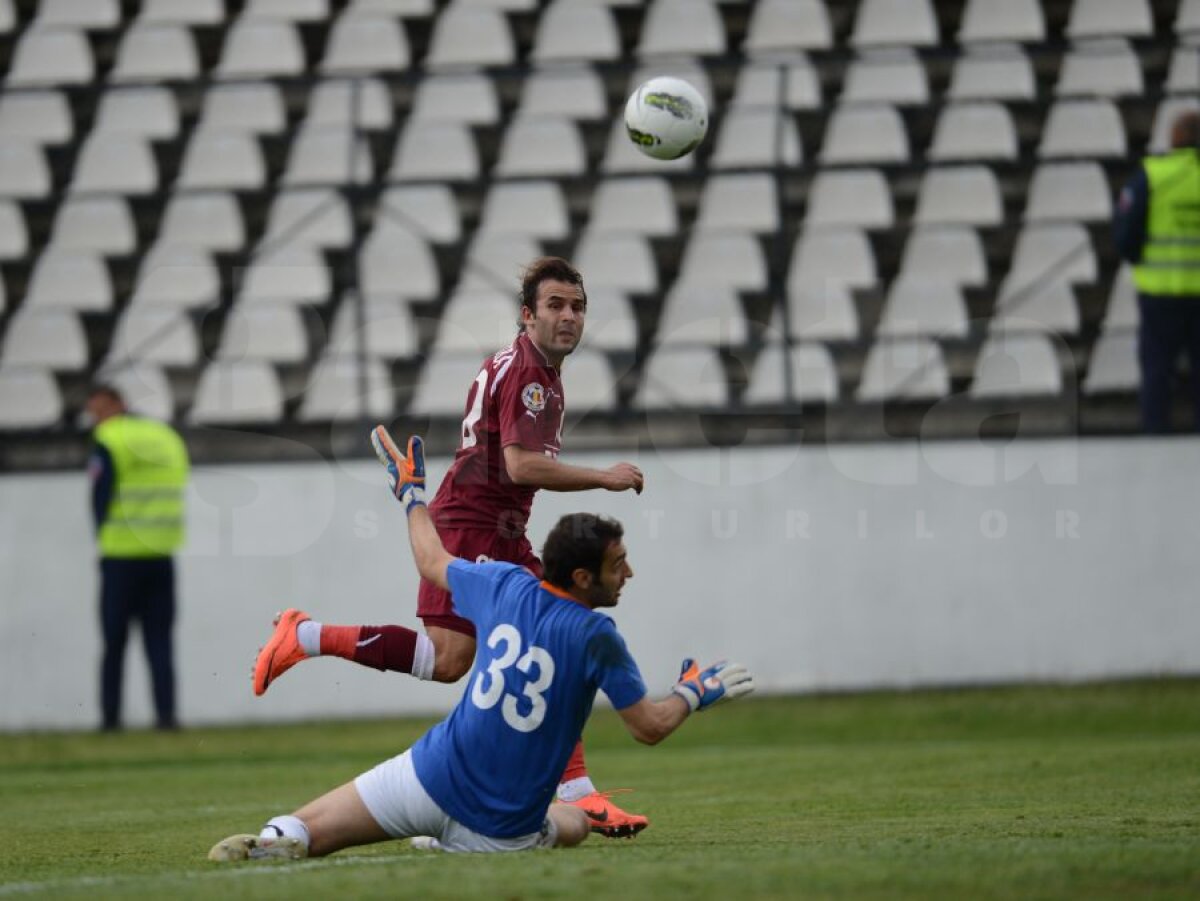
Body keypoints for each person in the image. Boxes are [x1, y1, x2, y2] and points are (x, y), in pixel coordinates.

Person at [208, 429, 753, 861]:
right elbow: (650, 727)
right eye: (618, 565)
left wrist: (411, 496)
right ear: (583, 578)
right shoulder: (597, 636)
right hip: (499, 827)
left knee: (309, 827)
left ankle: (281, 834)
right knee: (574, 825)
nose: (629, 572)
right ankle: (553, 805)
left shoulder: (503, 583)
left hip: (427, 776)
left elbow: (431, 561)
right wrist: (692, 691)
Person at [252, 257, 651, 835]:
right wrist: (604, 476)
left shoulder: (528, 366)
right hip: (475, 524)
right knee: (466, 657)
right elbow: (518, 466)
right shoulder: (532, 376)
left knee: (529, 637)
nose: (569, 317)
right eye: (556, 306)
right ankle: (304, 636)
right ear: (527, 315)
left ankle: (579, 790)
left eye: (577, 306)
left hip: (495, 527)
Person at [85, 384, 190, 731]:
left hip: (120, 556)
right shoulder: (164, 435)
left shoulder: (110, 438)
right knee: (159, 642)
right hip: (161, 554)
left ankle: (110, 720)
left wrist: (103, 534)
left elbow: (100, 496)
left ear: (116, 403)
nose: (95, 419)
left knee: (114, 642)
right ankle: (167, 718)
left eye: (98, 410)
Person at [1114, 109, 1200, 433]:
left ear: (1174, 138)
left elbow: (1125, 235)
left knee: (1157, 372)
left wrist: (1139, 259)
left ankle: (1156, 441)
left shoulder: (1153, 176)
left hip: (1160, 293)